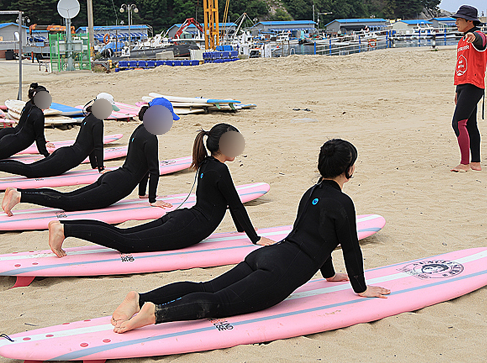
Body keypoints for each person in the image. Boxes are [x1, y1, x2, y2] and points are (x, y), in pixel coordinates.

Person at [110, 139, 390, 334]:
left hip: (267, 255)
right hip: (278, 274)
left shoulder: (312, 193)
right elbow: (350, 249)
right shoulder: (342, 203)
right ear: (349, 169)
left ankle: (140, 298)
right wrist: (361, 288)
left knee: (207, 287)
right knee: (218, 303)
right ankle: (155, 314)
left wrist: (329, 275)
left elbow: (314, 236)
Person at [46, 123, 275, 257]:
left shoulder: (207, 164)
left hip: (183, 218)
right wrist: (254, 238)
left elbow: (227, 203)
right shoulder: (219, 171)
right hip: (188, 227)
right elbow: (234, 203)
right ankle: (65, 230)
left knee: (124, 234)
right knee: (125, 242)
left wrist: (239, 230)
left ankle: (65, 227)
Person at [0, 97, 179, 215]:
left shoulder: (140, 131)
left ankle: (20, 194)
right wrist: (153, 200)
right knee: (68, 202)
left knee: (68, 197)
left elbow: (141, 166)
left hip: (114, 177)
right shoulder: (151, 137)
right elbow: (153, 170)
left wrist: (142, 195)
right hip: (116, 187)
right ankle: (20, 196)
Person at [0, 93, 120, 182]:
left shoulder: (90, 118)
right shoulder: (98, 121)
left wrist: (95, 166)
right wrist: (101, 168)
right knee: (30, 171)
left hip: (65, 153)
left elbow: (90, 146)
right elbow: (97, 146)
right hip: (66, 159)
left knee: (30, 168)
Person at [451, 5, 487, 172]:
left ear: (469, 21)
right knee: (470, 124)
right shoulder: (461, 41)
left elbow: (481, 41)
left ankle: (464, 163)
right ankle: (476, 162)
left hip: (473, 86)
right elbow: (461, 68)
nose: (456, 23)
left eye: (459, 20)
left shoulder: (478, 36)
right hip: (464, 86)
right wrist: (457, 91)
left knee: (458, 123)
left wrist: (474, 36)